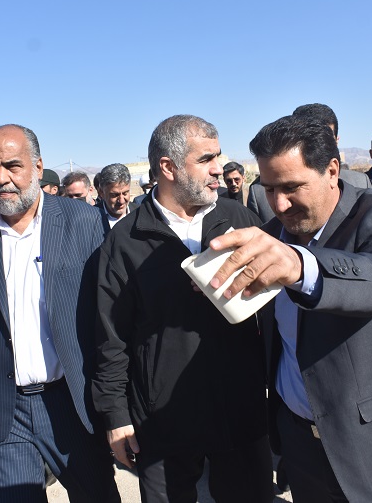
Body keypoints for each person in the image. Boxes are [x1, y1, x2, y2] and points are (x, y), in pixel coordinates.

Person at [207, 115, 372, 501]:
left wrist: (300, 266)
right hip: (300, 444)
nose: (279, 204)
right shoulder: (269, 237)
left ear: (332, 170)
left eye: (292, 187)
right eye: (269, 189)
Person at [93, 115, 272, 503]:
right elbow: (111, 338)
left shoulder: (240, 221)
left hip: (240, 410)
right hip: (163, 421)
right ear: (168, 167)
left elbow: (274, 316)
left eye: (218, 157)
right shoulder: (125, 242)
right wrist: (116, 416)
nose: (218, 169)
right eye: (206, 159)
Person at [0, 124, 120, 502]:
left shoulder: (83, 222)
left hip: (73, 403)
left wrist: (117, 405)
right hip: (3, 408)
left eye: (12, 166)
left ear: (38, 167)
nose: (1, 179)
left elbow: (109, 315)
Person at [292, 103, 371, 189]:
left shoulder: (360, 182)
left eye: (325, 139)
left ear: (336, 141)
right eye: (309, 140)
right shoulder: (282, 188)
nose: (318, 147)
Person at [96, 163, 137, 236]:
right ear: (101, 193)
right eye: (115, 195)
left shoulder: (140, 213)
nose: (121, 201)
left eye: (125, 193)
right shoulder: (91, 217)